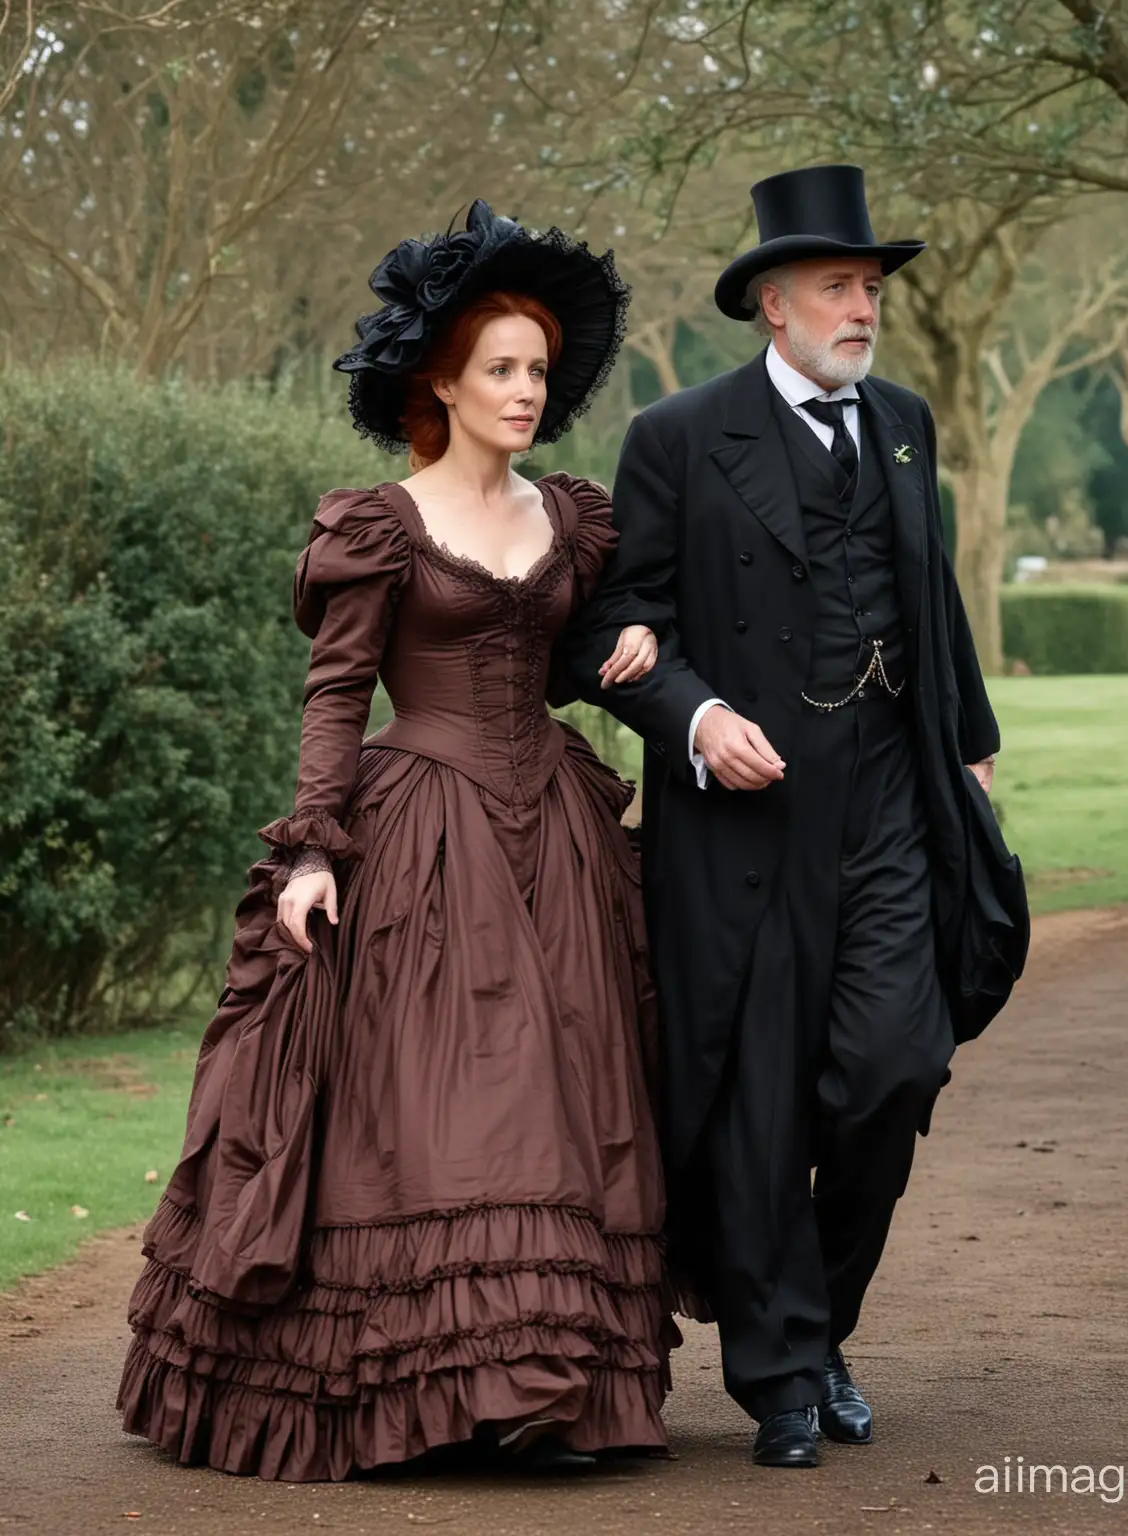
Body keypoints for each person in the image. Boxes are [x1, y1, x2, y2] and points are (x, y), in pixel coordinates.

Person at [117, 201, 675, 1481]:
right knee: (473, 1103)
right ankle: (482, 1379)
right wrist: (313, 848)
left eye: (538, 370)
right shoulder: (381, 522)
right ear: (443, 380)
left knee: (579, 1090)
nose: (527, 390)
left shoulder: (572, 520)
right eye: (502, 368)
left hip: (559, 838)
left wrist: (627, 653)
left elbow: (572, 652)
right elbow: (337, 694)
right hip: (424, 835)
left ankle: (555, 1380)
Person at [566, 165, 1014, 1469]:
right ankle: (779, 1380)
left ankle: (818, 1330)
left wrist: (973, 752)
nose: (862, 306)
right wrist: (698, 722)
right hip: (745, 819)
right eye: (838, 286)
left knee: (894, 1068)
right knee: (757, 1105)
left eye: (871, 287)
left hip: (885, 793)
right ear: (773, 302)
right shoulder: (679, 438)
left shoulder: (908, 423)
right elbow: (619, 623)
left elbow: (935, 600)